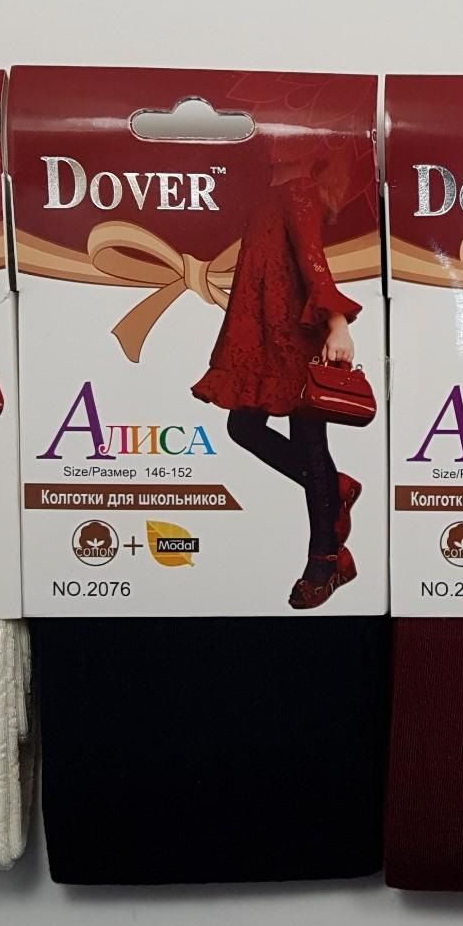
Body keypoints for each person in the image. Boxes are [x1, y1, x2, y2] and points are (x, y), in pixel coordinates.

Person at [191, 158, 363, 610]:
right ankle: (334, 488)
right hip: (263, 332)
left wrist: (337, 324)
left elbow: (313, 261)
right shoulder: (266, 192)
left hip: (296, 333)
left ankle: (326, 560)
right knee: (243, 427)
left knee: (309, 442)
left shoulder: (299, 190)